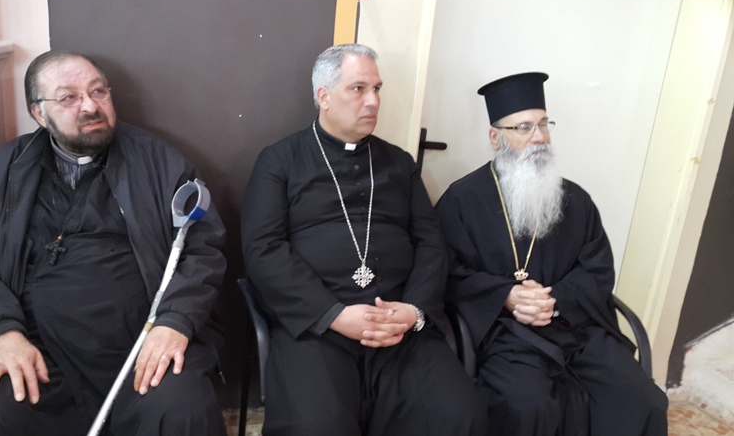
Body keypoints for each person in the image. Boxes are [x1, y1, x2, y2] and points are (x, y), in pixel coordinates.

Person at [0, 50, 228, 436]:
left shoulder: (159, 162)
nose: (90, 106)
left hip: (143, 341)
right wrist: (3, 333)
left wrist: (175, 322)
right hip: (37, 350)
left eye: (98, 92)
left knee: (182, 409)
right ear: (39, 113)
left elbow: (202, 250)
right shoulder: (0, 171)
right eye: (69, 97)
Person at [241, 43, 488, 436]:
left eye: (377, 89)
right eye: (358, 89)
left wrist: (413, 311)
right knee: (315, 428)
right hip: (316, 328)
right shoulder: (279, 161)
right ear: (324, 96)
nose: (373, 101)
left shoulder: (399, 164)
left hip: (398, 327)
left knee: (460, 415)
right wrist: (333, 315)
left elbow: (431, 243)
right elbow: (262, 250)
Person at [436, 72, 668, 436]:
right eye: (524, 127)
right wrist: (505, 295)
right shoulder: (462, 200)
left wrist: (553, 302)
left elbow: (597, 272)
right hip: (505, 334)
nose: (539, 137)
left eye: (544, 124)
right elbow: (447, 272)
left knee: (645, 400)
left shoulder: (575, 201)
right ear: (495, 137)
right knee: (528, 404)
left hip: (574, 328)